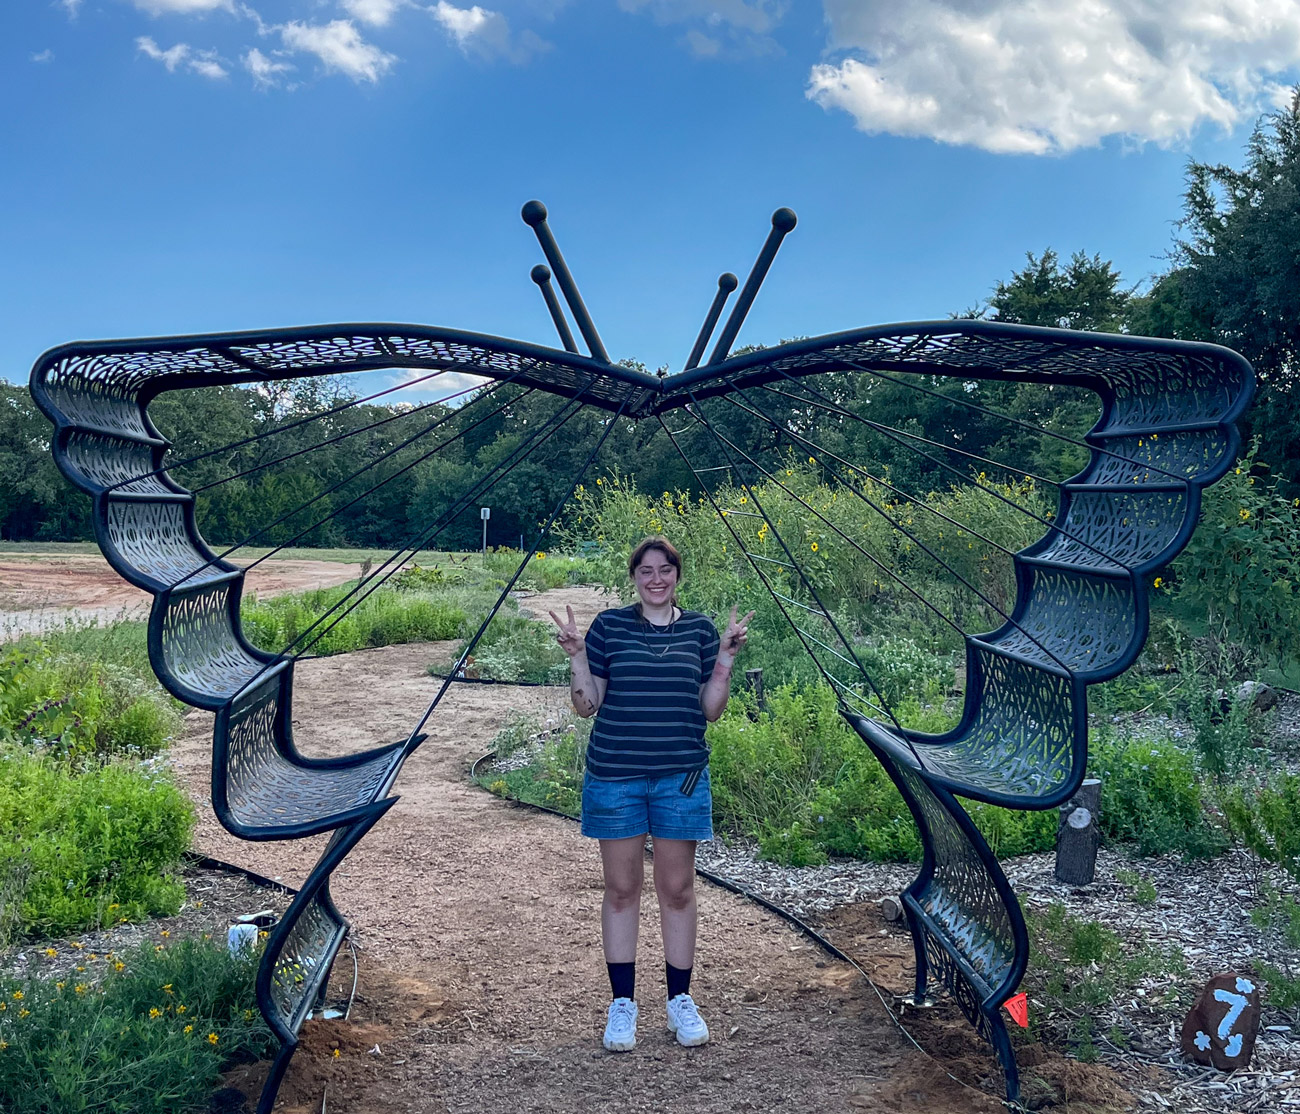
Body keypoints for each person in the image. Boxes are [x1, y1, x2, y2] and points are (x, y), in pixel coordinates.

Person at [550, 535, 753, 1054]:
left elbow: (710, 709)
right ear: (634, 577)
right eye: (646, 570)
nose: (656, 578)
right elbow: (586, 705)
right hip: (616, 775)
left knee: (678, 890)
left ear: (677, 576)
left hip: (680, 777)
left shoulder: (700, 631)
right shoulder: (610, 627)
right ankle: (623, 1005)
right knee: (621, 891)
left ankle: (679, 1000)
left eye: (665, 570)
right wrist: (576, 658)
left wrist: (726, 658)